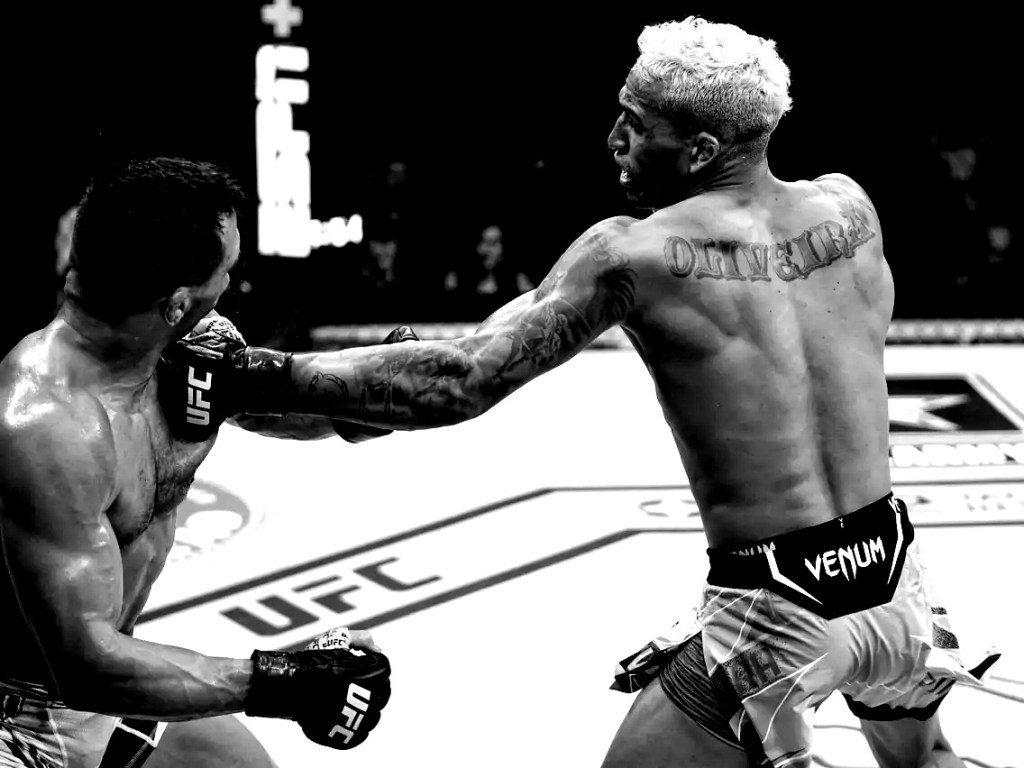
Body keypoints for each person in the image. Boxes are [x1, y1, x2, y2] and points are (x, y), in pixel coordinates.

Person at [172, 17, 1003, 767]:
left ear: (701, 149)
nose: (613, 139)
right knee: (929, 760)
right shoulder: (850, 209)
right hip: (895, 581)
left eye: (636, 124)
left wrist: (250, 375)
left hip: (777, 608)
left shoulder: (633, 254)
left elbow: (460, 382)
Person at [0, 157, 404, 768]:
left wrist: (370, 403)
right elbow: (84, 664)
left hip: (102, 686)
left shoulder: (174, 344)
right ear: (176, 301)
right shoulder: (47, 424)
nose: (231, 285)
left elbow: (266, 406)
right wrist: (286, 680)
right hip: (24, 713)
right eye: (226, 272)